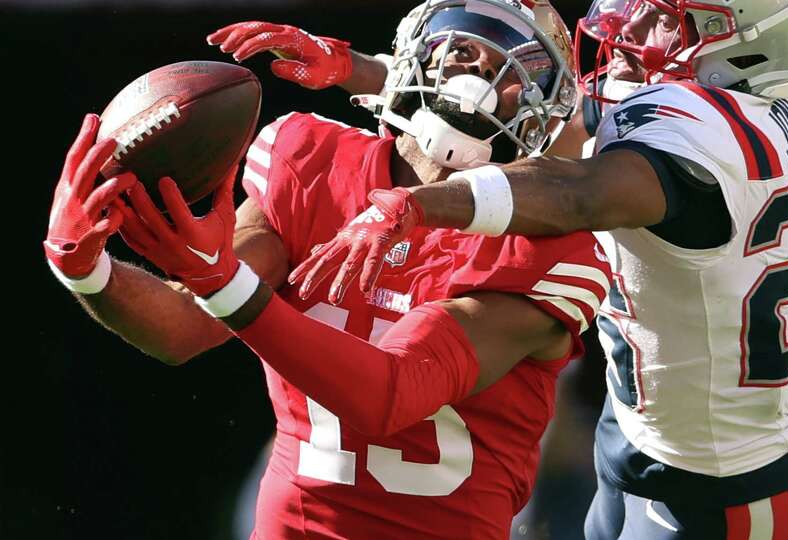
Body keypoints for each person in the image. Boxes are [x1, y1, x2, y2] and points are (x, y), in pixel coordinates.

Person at [289, 1, 788, 538]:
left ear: (742, 45)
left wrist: (418, 206)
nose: (632, 24)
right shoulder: (700, 103)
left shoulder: (713, 137)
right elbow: (531, 114)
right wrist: (364, 72)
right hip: (647, 428)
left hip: (727, 479)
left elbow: (575, 191)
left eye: (665, 19)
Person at [43, 1, 614, 538]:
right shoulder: (311, 161)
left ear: (546, 111)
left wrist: (224, 285)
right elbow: (184, 327)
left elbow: (388, 394)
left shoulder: (547, 249)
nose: (481, 72)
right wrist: (86, 268)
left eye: (514, 64)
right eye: (468, 46)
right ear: (417, 49)